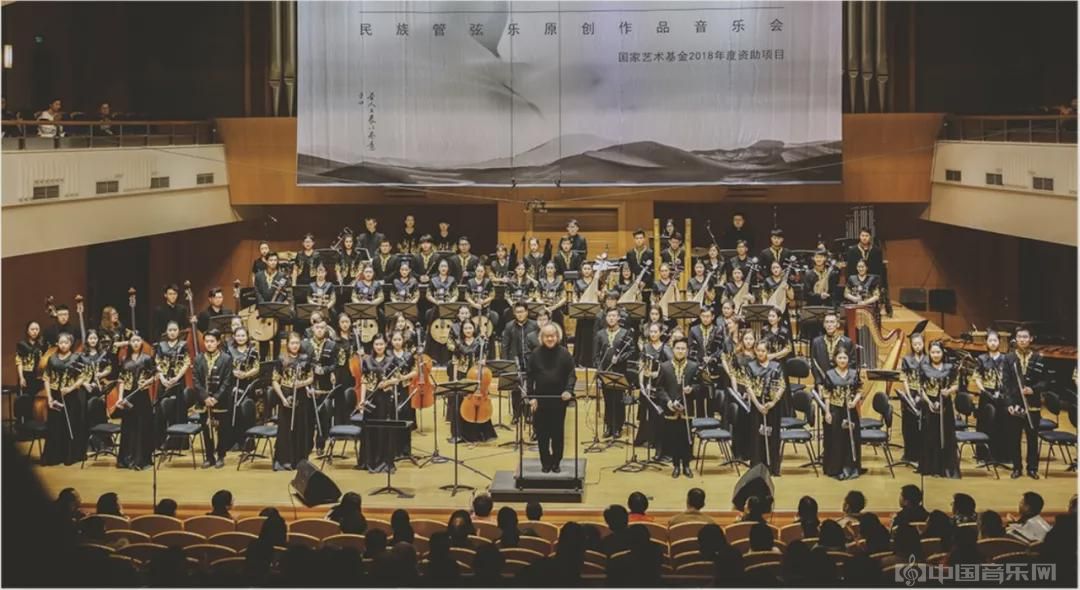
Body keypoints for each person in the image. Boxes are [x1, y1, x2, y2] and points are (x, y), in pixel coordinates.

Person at [527, 324, 577, 473]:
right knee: (542, 434)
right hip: (541, 399)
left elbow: (571, 374)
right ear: (542, 338)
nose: (550, 339)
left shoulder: (565, 353)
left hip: (559, 400)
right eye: (547, 336)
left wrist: (568, 390)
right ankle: (545, 462)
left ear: (557, 337)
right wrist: (531, 397)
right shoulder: (535, 354)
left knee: (557, 433)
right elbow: (530, 377)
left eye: (552, 336)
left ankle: (556, 462)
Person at [1002, 327, 1047, 479]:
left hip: (1032, 404)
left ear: (1031, 339)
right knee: (1014, 438)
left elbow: (1045, 382)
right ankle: (1017, 468)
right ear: (1016, 339)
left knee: (1032, 438)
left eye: (1025, 337)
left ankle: (1032, 468)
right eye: (1019, 337)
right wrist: (1009, 403)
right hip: (1015, 404)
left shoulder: (1038, 358)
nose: (1022, 340)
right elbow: (1005, 383)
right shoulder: (1008, 358)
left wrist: (1033, 389)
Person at [41, 332, 88, 466]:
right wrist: (49, 397)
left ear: (70, 344)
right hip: (55, 396)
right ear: (57, 343)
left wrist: (70, 388)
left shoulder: (76, 358)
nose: (63, 345)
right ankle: (54, 456)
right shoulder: (51, 359)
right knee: (55, 426)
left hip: (71, 396)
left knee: (70, 425)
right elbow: (46, 378)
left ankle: (70, 456)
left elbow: (82, 377)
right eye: (61, 342)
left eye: (66, 342)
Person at [188, 329, 234, 468]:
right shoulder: (198, 358)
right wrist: (205, 397)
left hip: (221, 400)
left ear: (218, 342)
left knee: (222, 430)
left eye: (212, 341)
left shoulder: (226, 358)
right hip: (203, 401)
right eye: (207, 341)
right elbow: (196, 380)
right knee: (206, 429)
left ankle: (221, 455)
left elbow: (227, 381)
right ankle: (209, 457)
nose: (209, 344)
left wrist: (216, 398)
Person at [656, 339, 699, 478]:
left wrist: (692, 389)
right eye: (678, 348)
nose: (680, 351)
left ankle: (686, 465)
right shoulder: (664, 366)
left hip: (687, 408)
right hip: (671, 409)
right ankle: (676, 466)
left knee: (687, 438)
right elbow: (659, 388)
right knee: (673, 438)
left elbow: (701, 385)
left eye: (683, 349)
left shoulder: (693, 366)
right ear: (673, 349)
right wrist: (668, 401)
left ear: (687, 351)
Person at [271, 333, 314, 471]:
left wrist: (302, 383)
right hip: (286, 395)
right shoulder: (281, 359)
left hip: (301, 396)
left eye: (297, 343)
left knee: (300, 428)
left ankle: (299, 460)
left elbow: (311, 378)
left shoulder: (305, 358)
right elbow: (275, 381)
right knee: (285, 429)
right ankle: (284, 460)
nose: (295, 346)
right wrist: (282, 398)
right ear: (287, 344)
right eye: (292, 343)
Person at [741, 341, 785, 475]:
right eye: (758, 350)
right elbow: (748, 387)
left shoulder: (777, 366)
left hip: (772, 406)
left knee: (772, 435)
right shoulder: (750, 366)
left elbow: (782, 386)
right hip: (757, 406)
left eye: (763, 351)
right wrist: (758, 405)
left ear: (768, 352)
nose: (760, 353)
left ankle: (772, 467)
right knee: (757, 436)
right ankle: (757, 466)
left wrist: (773, 402)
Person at [918, 341, 961, 478]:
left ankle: (946, 467)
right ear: (929, 353)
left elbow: (957, 384)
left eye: (938, 352)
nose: (935, 355)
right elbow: (921, 388)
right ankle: (932, 468)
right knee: (930, 436)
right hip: (929, 406)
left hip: (945, 405)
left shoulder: (950, 367)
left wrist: (949, 391)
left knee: (946, 435)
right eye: (933, 352)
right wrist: (929, 402)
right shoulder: (924, 367)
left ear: (942, 353)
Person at [114, 334, 157, 470]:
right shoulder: (125, 360)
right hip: (128, 396)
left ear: (141, 342)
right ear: (130, 343)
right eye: (133, 341)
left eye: (138, 340)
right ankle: (127, 459)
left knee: (142, 426)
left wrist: (147, 382)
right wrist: (120, 398)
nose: (136, 343)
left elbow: (156, 375)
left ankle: (141, 459)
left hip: (142, 397)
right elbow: (121, 380)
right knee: (128, 427)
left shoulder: (147, 358)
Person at [821, 347, 863, 480]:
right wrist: (827, 412)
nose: (842, 360)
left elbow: (859, 391)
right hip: (835, 410)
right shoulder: (829, 374)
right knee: (836, 440)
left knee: (851, 439)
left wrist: (854, 402)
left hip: (850, 411)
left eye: (845, 358)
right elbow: (827, 395)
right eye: (840, 358)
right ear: (835, 359)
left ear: (848, 359)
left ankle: (851, 466)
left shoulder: (854, 373)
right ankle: (836, 468)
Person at [594, 307, 632, 439]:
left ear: (618, 318)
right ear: (606, 318)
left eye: (614, 316)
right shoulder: (600, 334)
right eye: (609, 316)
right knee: (608, 400)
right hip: (605, 372)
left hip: (619, 372)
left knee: (618, 399)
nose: (611, 318)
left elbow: (631, 351)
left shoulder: (625, 333)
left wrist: (620, 359)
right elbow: (596, 355)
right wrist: (600, 370)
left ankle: (618, 427)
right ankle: (609, 426)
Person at [973, 330, 1009, 463]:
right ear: (986, 342)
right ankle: (984, 455)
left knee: (1001, 424)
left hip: (1001, 395)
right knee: (985, 424)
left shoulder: (1005, 358)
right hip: (986, 395)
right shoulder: (981, 359)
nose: (993, 343)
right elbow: (977, 377)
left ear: (999, 342)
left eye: (995, 340)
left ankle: (1000, 455)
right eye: (990, 340)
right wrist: (983, 390)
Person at [898, 330, 928, 464]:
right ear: (911, 345)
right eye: (915, 344)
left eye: (919, 344)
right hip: (910, 393)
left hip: (924, 394)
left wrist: (921, 394)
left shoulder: (928, 359)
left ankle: (923, 453)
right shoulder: (907, 359)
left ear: (923, 344)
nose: (917, 346)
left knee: (923, 425)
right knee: (908, 425)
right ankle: (909, 453)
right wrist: (909, 395)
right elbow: (904, 378)